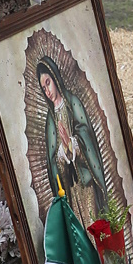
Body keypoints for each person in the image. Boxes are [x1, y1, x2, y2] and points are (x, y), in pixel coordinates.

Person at [35, 56, 107, 225]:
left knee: (92, 224)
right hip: (69, 188)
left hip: (86, 182)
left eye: (48, 83)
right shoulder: (50, 120)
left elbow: (87, 134)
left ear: (55, 78)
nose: (47, 91)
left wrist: (73, 143)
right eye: (43, 88)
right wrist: (62, 153)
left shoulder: (73, 103)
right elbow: (52, 159)